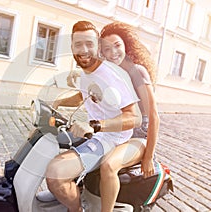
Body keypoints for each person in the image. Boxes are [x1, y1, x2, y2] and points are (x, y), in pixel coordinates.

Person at [45, 20, 142, 212]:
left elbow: (135, 117)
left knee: (55, 173)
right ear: (71, 46)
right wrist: (57, 102)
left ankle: (76, 209)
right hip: (96, 134)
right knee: (54, 147)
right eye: (78, 44)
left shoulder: (111, 76)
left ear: (97, 46)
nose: (84, 49)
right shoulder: (86, 73)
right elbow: (84, 95)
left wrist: (96, 125)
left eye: (89, 43)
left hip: (112, 138)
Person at [67, 21, 160, 212]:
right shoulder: (107, 72)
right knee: (72, 146)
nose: (113, 52)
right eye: (107, 49)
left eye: (117, 45)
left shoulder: (137, 72)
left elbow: (153, 117)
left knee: (109, 166)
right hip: (113, 133)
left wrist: (148, 156)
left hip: (137, 137)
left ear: (125, 44)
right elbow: (86, 93)